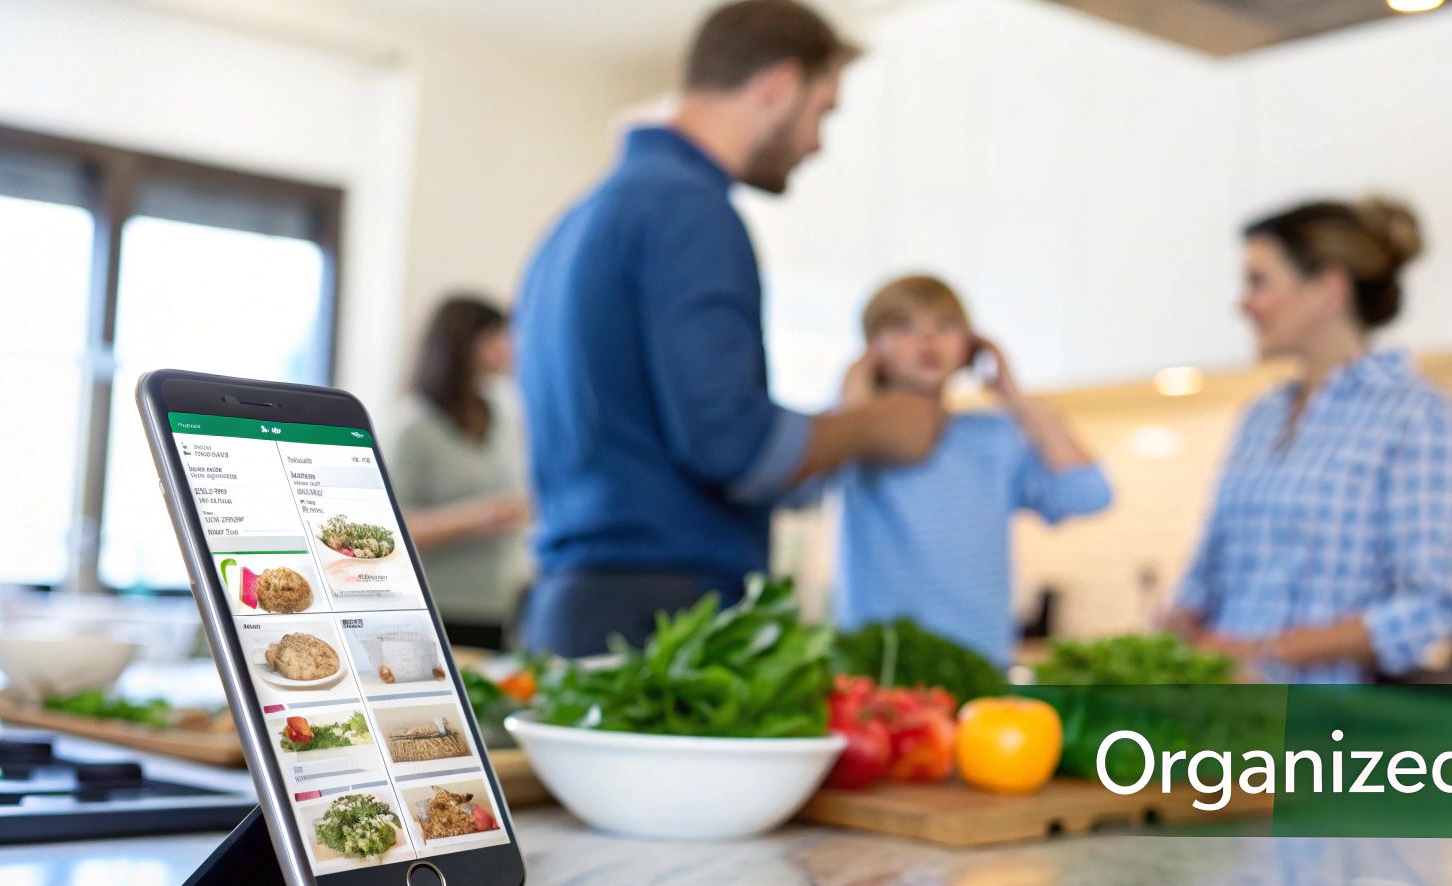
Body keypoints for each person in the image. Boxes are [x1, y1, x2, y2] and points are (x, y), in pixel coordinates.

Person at [515, 0, 945, 656]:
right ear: (778, 85)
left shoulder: (579, 219)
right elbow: (729, 444)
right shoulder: (691, 210)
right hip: (664, 621)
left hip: (574, 608)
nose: (818, 142)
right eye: (822, 111)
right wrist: (878, 424)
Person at [1163, 197, 1452, 684]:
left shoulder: (1418, 417)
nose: (1243, 302)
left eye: (1259, 281)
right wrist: (1172, 629)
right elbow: (1206, 573)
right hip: (1217, 717)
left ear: (1327, 290)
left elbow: (1425, 610)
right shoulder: (1259, 416)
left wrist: (1262, 651)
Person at [796, 275, 1112, 667]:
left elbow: (1089, 494)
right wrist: (854, 404)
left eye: (945, 326)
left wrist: (1012, 393)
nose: (928, 341)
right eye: (903, 326)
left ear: (970, 347)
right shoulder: (859, 439)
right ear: (872, 351)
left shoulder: (994, 437)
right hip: (879, 667)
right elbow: (800, 492)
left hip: (981, 663)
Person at [390, 295, 530, 651]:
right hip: (438, 607)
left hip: (499, 606)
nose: (510, 346)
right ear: (468, 343)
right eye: (499, 336)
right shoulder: (414, 425)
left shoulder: (499, 415)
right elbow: (390, 528)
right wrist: (479, 516)